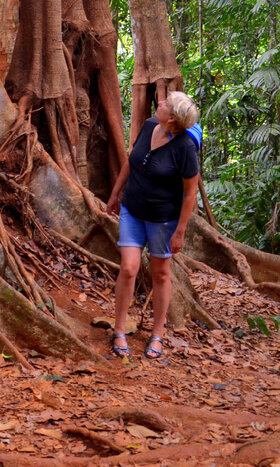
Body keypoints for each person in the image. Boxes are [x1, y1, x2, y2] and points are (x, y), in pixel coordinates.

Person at [105, 90, 200, 359]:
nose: (159, 103)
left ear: (173, 119)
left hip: (163, 220)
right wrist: (115, 194)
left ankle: (158, 334)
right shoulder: (149, 126)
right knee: (129, 267)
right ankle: (119, 329)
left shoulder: (185, 148)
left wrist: (180, 231)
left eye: (165, 104)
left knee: (160, 274)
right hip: (132, 210)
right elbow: (132, 161)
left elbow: (190, 193)